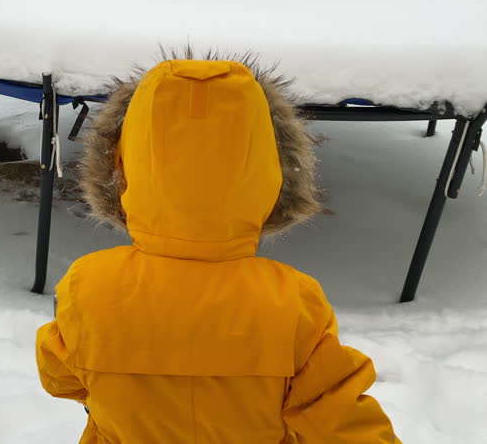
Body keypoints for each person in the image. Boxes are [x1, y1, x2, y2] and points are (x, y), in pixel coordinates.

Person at [35, 55, 401, 443]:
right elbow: (337, 412)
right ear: (271, 173)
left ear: (122, 167)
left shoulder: (89, 286)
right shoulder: (292, 302)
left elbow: (59, 378)